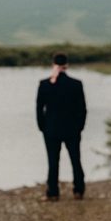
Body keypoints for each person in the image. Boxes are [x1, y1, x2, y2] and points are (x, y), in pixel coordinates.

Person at [36, 52, 86, 201]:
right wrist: (79, 126)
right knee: (75, 159)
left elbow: (39, 108)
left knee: (52, 161)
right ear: (67, 65)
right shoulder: (76, 84)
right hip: (72, 129)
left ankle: (53, 192)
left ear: (53, 64)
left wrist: (42, 126)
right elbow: (82, 109)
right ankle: (78, 190)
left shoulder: (44, 84)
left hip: (51, 129)